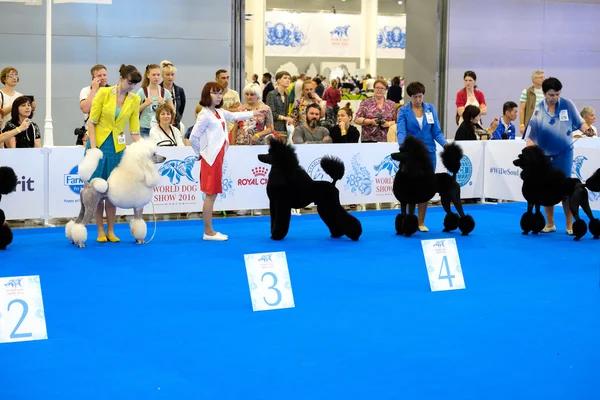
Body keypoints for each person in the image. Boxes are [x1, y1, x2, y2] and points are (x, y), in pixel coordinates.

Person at [189, 82, 260, 241]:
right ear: (207, 95)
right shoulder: (205, 114)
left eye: (220, 93)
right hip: (211, 159)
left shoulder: (218, 111)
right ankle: (208, 232)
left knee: (212, 195)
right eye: (215, 93)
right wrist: (198, 153)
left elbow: (234, 116)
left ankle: (209, 230)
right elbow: (193, 136)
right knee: (210, 195)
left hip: (217, 158)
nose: (218, 96)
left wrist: (254, 113)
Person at [525, 77, 594, 235]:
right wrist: (527, 155)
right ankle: (550, 224)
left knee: (565, 190)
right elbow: (532, 135)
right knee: (547, 190)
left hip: (564, 155)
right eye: (551, 95)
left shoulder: (567, 104)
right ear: (543, 94)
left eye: (557, 94)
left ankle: (569, 225)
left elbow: (580, 122)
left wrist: (586, 130)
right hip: (544, 157)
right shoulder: (538, 110)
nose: (554, 97)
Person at [85, 64, 143, 243]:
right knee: (96, 190)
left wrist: (146, 150)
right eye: (129, 82)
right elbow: (92, 122)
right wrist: (94, 149)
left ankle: (111, 229)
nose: (131, 86)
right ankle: (100, 230)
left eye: (134, 84)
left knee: (113, 190)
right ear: (121, 78)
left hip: (118, 148)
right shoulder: (103, 93)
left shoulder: (134, 100)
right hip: (98, 145)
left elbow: (134, 130)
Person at [396, 81, 448, 232]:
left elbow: (436, 131)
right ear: (409, 97)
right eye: (415, 97)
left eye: (420, 96)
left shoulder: (430, 109)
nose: (418, 100)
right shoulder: (403, 111)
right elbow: (401, 131)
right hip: (412, 155)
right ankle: (409, 221)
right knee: (411, 187)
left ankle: (421, 222)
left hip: (429, 153)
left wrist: (445, 144)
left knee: (426, 186)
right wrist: (403, 146)